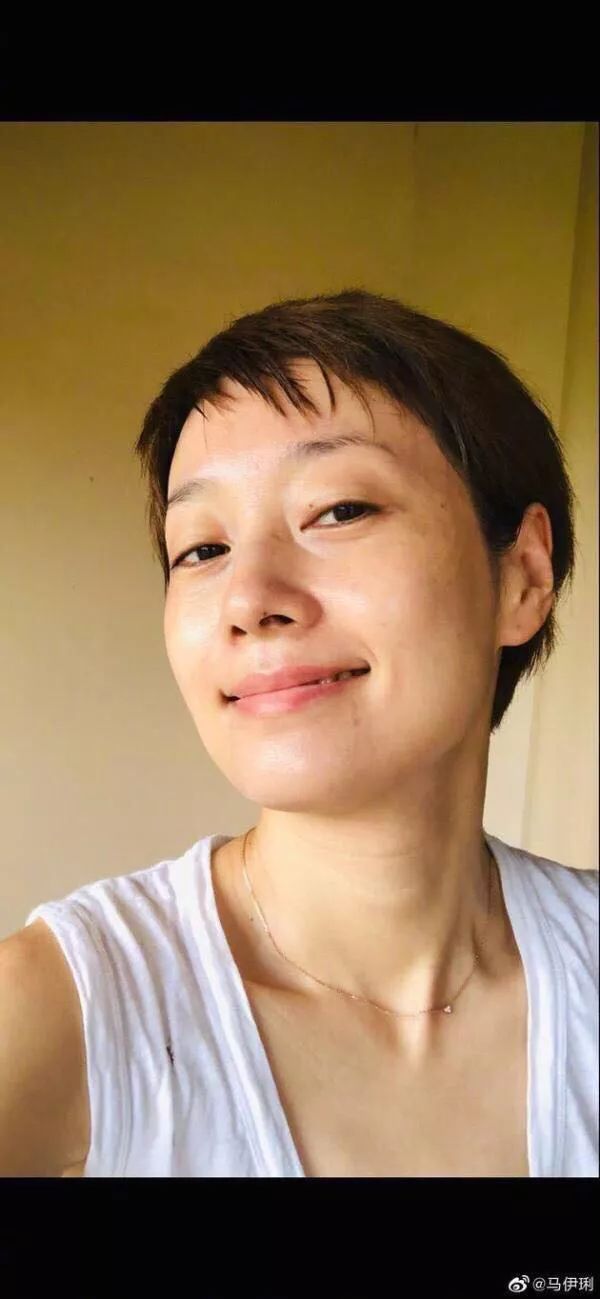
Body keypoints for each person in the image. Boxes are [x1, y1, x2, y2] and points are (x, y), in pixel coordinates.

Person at [1, 290, 597, 1178]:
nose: (249, 598)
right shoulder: (58, 1014)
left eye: (340, 509)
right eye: (201, 549)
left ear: (522, 576)